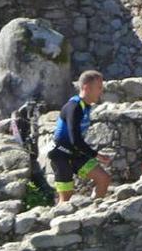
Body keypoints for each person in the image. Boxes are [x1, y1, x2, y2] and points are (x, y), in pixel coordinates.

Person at [47, 70, 112, 203]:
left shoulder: (86, 107)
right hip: (61, 155)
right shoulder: (74, 106)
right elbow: (74, 139)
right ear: (86, 87)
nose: (101, 91)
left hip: (75, 153)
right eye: (99, 87)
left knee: (103, 179)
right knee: (66, 198)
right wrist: (96, 155)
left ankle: (93, 210)